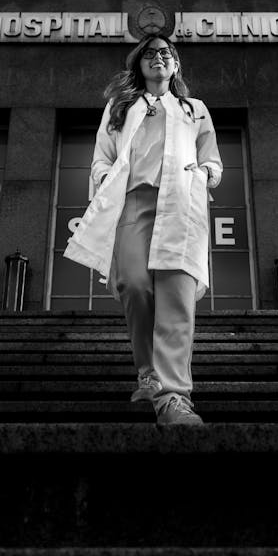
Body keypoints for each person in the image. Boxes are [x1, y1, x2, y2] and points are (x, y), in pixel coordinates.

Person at [64, 34, 222, 425]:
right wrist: (106, 177)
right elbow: (101, 156)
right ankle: (148, 371)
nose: (158, 58)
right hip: (134, 202)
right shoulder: (121, 107)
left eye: (165, 53)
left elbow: (212, 158)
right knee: (133, 283)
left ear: (176, 64)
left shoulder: (194, 109)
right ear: (139, 63)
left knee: (175, 298)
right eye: (150, 53)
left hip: (181, 203)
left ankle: (173, 398)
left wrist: (204, 174)